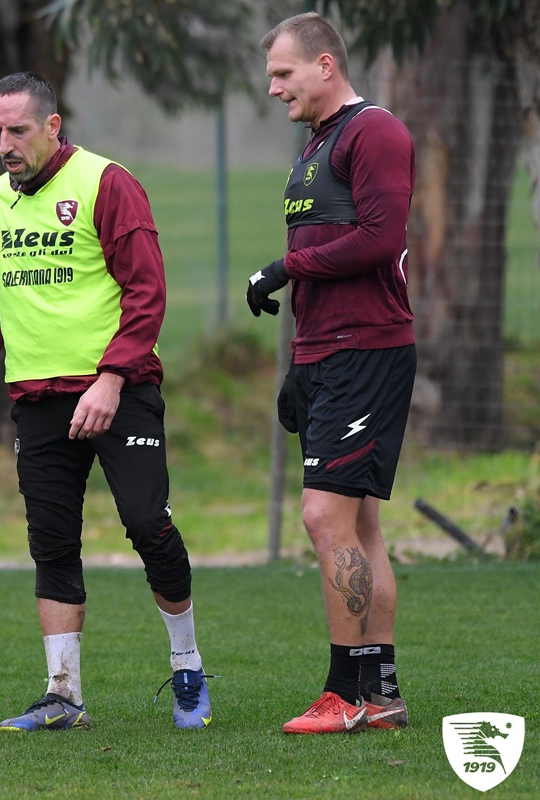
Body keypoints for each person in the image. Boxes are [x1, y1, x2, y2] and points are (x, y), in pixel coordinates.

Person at [0, 72, 214, 732]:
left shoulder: (108, 184)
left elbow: (146, 292)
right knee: (51, 545)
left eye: (17, 130)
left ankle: (188, 665)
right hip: (39, 401)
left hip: (122, 391)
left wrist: (111, 378)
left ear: (52, 126)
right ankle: (63, 695)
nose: (4, 143)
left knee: (146, 524)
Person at [248, 12, 416, 734]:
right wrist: (298, 359)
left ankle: (343, 694)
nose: (273, 87)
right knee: (358, 523)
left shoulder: (374, 130)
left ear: (324, 64)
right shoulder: (316, 145)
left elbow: (381, 240)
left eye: (284, 73)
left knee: (322, 517)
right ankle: (380, 697)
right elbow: (327, 248)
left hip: (366, 349)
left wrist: (284, 267)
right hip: (326, 351)